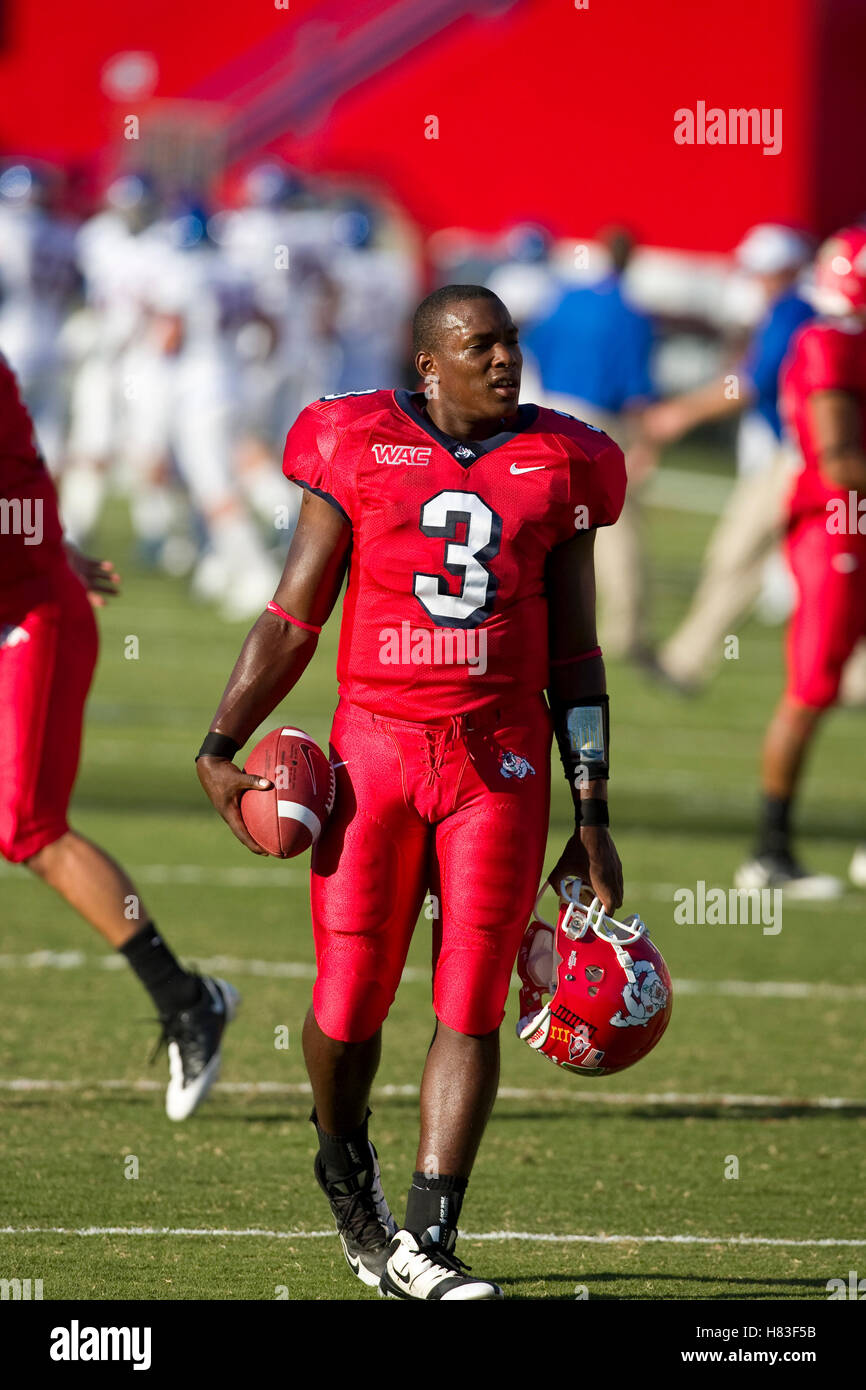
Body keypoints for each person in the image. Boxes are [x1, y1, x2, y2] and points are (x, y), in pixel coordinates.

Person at [196, 285, 626, 1300]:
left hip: (500, 759)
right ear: (427, 365)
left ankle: (426, 1238)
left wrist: (593, 811)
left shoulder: (564, 461)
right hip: (374, 754)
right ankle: (343, 1162)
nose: (503, 360)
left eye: (509, 343)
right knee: (348, 1003)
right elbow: (293, 616)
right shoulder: (352, 440)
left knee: (470, 997)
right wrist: (221, 740)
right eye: (479, 346)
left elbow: (576, 654)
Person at [0, 350, 237, 1119]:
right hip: (28, 589)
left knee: (27, 826)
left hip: (29, 624)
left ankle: (187, 1000)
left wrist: (48, 556)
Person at [734, 228, 866, 896]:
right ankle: (769, 851)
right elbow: (842, 462)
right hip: (837, 533)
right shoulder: (832, 341)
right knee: (813, 689)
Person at [642, 224, 814, 691]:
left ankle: (686, 660)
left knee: (743, 555)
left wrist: (681, 412)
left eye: (766, 271)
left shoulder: (793, 310)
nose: (758, 280)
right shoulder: (791, 309)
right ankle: (686, 661)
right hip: (796, 454)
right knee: (743, 559)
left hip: (802, 459)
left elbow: (748, 384)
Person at [523, 228, 657, 662]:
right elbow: (636, 388)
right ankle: (625, 627)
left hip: (549, 411)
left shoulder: (567, 298)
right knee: (615, 525)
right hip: (600, 421)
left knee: (538, 516)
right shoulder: (633, 315)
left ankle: (528, 611)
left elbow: (534, 346)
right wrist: (646, 443)